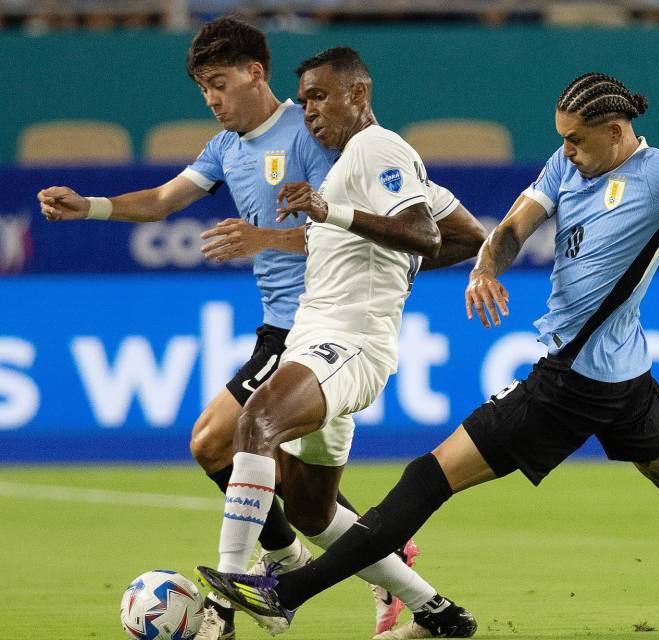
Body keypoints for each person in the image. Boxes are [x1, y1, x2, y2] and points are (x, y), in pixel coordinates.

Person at [196, 72, 659, 640]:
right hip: (626, 380)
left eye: (577, 140)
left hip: (568, 386)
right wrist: (489, 259)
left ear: (617, 131)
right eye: (560, 138)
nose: (565, 152)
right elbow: (521, 220)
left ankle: (287, 594)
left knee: (429, 476)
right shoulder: (568, 166)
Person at [36, 17, 484, 640]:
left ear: (255, 73)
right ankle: (431, 607)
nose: (212, 99)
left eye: (219, 83)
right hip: (295, 329)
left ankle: (242, 587)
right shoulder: (226, 148)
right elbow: (164, 200)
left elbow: (369, 219)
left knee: (224, 437)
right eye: (202, 89)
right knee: (306, 503)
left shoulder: (325, 136)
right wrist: (90, 207)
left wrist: (275, 239)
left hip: (324, 332)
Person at [193, 46, 485, 639]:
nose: (309, 111)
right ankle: (439, 614)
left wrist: (335, 213)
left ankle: (227, 594)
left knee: (257, 422)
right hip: (317, 343)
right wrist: (392, 266)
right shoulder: (359, 160)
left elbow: (424, 234)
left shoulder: (379, 149)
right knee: (310, 511)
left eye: (321, 96)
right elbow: (467, 235)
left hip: (347, 347)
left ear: (359, 92)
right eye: (303, 101)